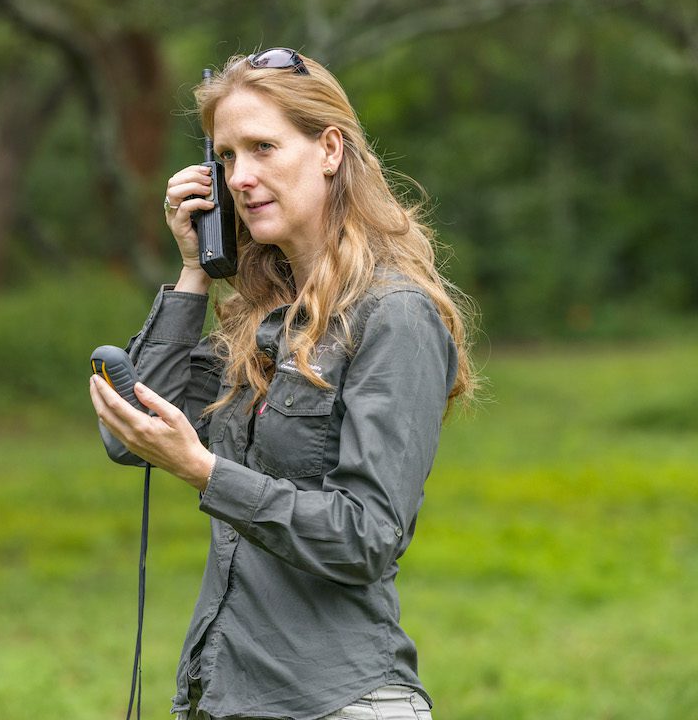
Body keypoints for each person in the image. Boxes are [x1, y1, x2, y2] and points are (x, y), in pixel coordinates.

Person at [88, 48, 478, 720]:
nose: (242, 177)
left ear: (329, 149)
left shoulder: (394, 314)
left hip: (337, 701)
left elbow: (368, 536)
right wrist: (194, 271)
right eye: (228, 156)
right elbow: (133, 436)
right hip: (223, 696)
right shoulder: (255, 314)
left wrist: (208, 472)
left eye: (264, 147)